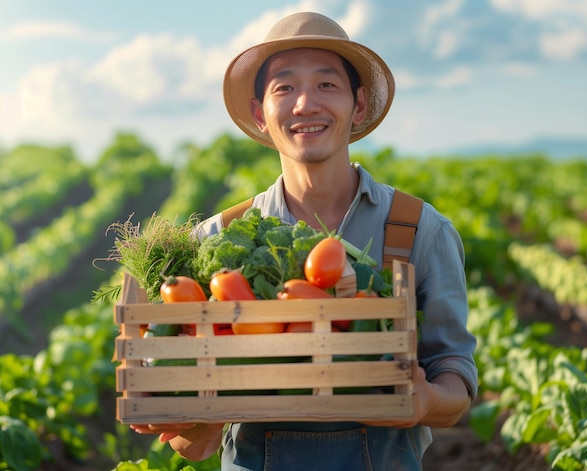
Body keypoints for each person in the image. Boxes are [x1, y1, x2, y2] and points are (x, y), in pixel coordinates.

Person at [131, 11, 478, 470]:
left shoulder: (419, 230)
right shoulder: (215, 239)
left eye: (326, 85)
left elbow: (456, 378)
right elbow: (190, 446)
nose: (305, 104)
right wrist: (201, 419)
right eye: (285, 87)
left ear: (358, 104)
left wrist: (425, 399)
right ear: (260, 114)